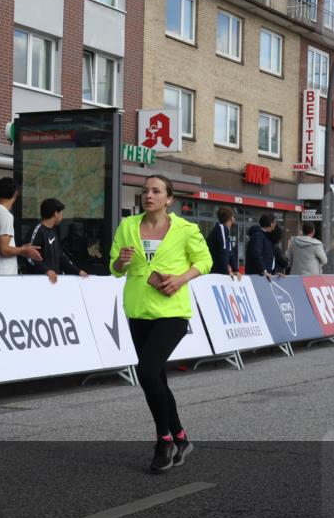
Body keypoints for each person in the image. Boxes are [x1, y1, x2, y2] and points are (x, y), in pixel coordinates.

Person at [110, 175, 212, 473]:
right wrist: (122, 262)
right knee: (157, 378)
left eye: (156, 191)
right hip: (139, 310)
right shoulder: (128, 226)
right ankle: (181, 436)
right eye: (144, 191)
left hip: (172, 313)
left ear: (169, 199)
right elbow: (114, 268)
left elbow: (205, 261)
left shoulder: (185, 229)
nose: (148, 195)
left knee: (146, 371)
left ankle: (163, 440)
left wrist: (181, 279)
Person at [0, 177, 42, 275]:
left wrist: (20, 249)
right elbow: (3, 250)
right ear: (16, 194)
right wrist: (24, 250)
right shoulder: (5, 215)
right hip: (0, 275)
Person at [24, 198, 88, 283]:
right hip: (39, 283)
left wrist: (78, 271)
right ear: (55, 213)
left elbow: (61, 256)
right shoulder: (38, 230)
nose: (62, 216)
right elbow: (28, 256)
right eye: (61, 213)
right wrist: (46, 271)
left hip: (53, 283)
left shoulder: (53, 231)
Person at [206, 207, 239, 278]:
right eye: (233, 216)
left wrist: (235, 270)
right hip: (214, 272)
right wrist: (226, 272)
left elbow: (230, 253)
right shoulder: (221, 229)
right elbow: (223, 252)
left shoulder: (224, 230)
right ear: (231, 218)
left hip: (217, 271)